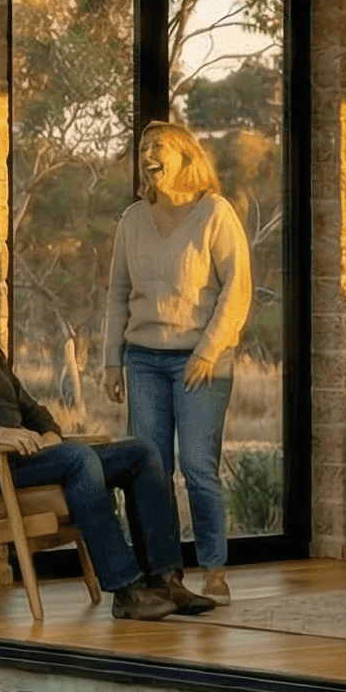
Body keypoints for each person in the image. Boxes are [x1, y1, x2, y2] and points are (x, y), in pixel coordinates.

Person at [0, 255, 215, 621]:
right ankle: (126, 590)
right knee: (79, 460)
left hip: (17, 461)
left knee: (140, 453)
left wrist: (50, 433)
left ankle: (165, 579)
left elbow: (26, 403)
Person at [102, 120, 252, 602]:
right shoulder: (132, 219)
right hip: (143, 359)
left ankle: (213, 570)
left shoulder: (215, 213)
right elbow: (117, 294)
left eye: (158, 146)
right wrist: (111, 361)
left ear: (186, 156)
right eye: (143, 147)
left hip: (201, 360)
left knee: (197, 466)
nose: (148, 153)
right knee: (150, 469)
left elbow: (237, 289)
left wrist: (209, 349)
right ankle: (160, 574)